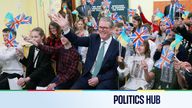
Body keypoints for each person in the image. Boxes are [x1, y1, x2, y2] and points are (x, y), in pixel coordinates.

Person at [52, 15, 126, 89]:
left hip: (105, 80)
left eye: (105, 28)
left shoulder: (118, 47)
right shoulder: (93, 38)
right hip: (88, 76)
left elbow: (114, 71)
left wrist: (98, 78)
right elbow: (76, 40)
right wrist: (66, 28)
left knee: (97, 97)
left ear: (111, 29)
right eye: (100, 27)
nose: (102, 30)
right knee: (73, 92)